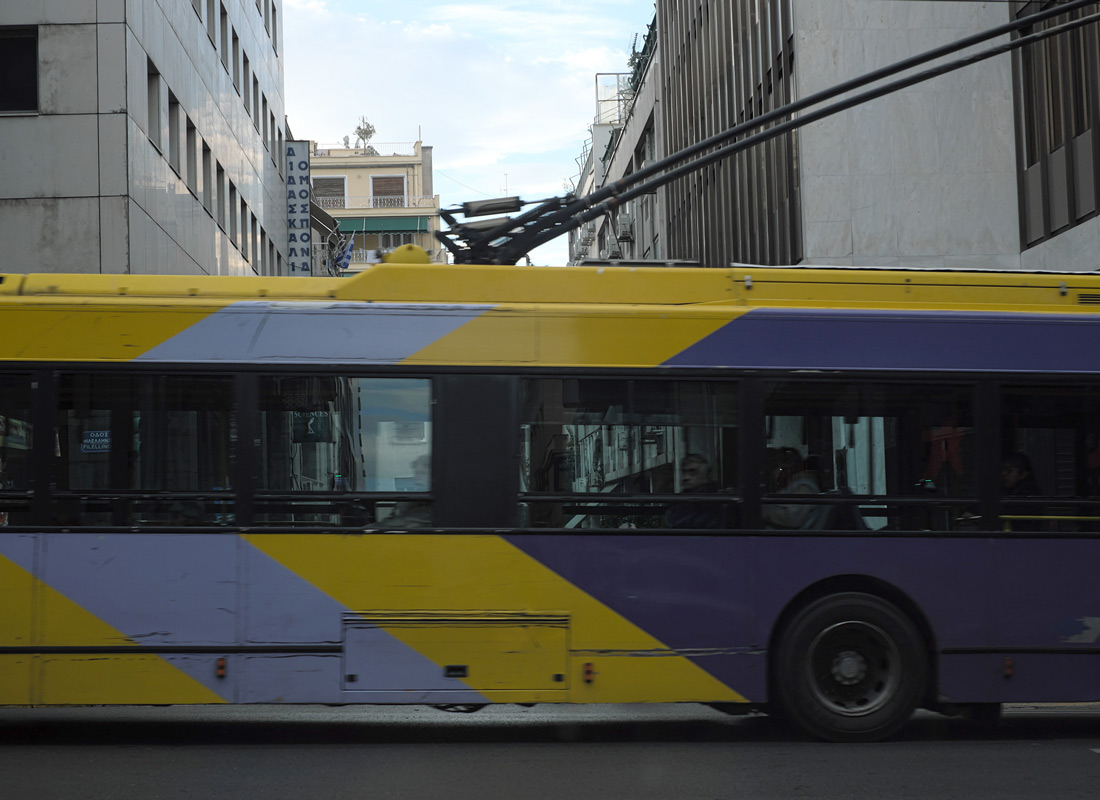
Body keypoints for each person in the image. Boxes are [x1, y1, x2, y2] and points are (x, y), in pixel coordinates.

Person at [761, 447, 828, 529]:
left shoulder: (804, 487)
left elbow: (791, 518)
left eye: (781, 469)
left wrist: (762, 511)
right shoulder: (791, 485)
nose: (777, 474)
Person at [664, 453, 725, 528]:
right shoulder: (686, 494)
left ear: (705, 474)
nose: (686, 477)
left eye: (692, 472)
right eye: (684, 471)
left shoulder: (711, 497)